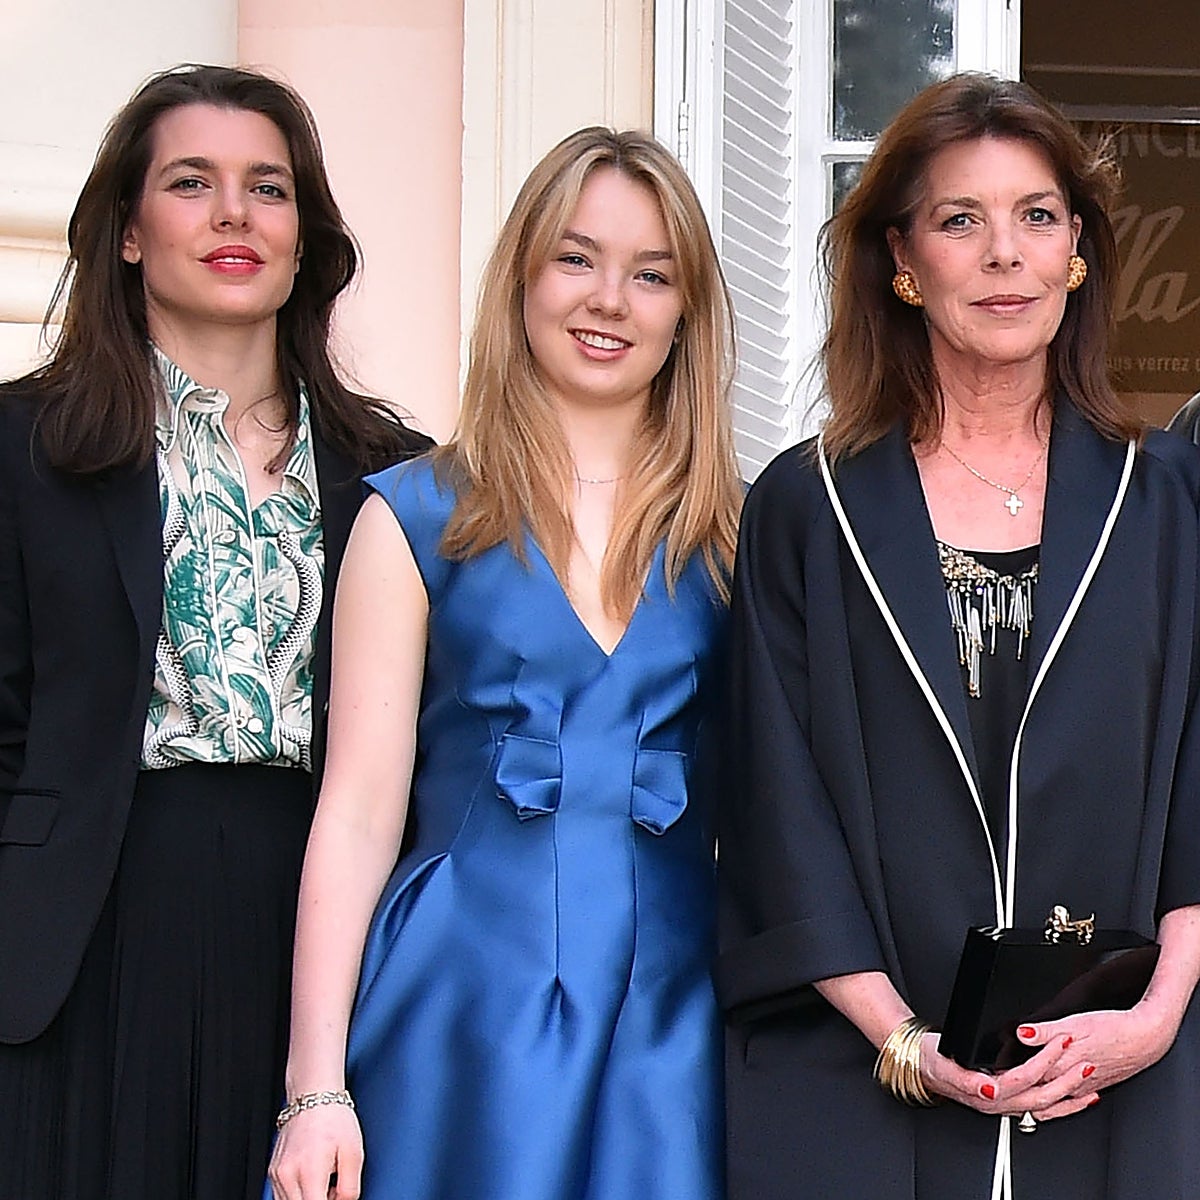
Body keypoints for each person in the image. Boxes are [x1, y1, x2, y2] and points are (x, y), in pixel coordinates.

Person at [719, 72, 1200, 1200]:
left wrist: (1161, 1011)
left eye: (1037, 216)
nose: (1004, 255)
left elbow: (1198, 781)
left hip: (1124, 1078)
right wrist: (903, 1042)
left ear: (1077, 249)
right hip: (862, 1085)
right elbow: (776, 810)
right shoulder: (811, 506)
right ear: (901, 256)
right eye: (958, 220)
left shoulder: (1168, 496)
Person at [267, 126, 741, 1200]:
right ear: (521, 277)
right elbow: (355, 811)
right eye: (577, 258)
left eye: (651, 274)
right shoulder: (414, 518)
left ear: (687, 314)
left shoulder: (741, 542)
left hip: (671, 1027)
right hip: (456, 1018)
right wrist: (315, 1089)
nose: (609, 300)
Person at [0, 64, 431, 1200]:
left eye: (269, 188)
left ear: (305, 239)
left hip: (325, 928)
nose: (236, 214)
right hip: (85, 933)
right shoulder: (21, 449)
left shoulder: (396, 476)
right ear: (130, 233)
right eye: (193, 183)